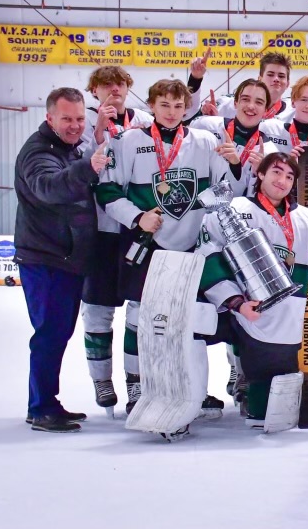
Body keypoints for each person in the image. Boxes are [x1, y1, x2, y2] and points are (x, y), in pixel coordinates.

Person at [96, 79, 243, 418]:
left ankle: (193, 388)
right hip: (147, 244)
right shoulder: (127, 141)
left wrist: (199, 206)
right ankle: (137, 387)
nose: (172, 112)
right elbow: (106, 192)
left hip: (194, 249)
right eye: (165, 105)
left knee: (192, 320)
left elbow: (227, 190)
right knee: (139, 317)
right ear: (151, 106)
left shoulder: (206, 141)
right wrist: (137, 217)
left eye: (179, 106)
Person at [198, 152, 308, 429]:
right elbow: (209, 255)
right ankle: (193, 396)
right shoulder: (236, 208)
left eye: (289, 176)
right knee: (190, 327)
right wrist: (235, 302)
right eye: (276, 172)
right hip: (241, 307)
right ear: (260, 174)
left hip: (287, 313)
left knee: (275, 381)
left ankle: (261, 408)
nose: (282, 181)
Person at [16, 87, 109, 432]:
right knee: (50, 334)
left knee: (57, 333)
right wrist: (88, 166)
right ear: (49, 117)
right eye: (67, 118)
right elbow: (49, 187)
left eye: (80, 119)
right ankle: (40, 407)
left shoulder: (71, 148)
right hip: (46, 260)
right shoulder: (38, 152)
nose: (74, 125)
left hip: (67, 260)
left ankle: (46, 402)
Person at [79, 66, 154, 415]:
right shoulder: (83, 124)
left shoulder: (145, 121)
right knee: (98, 311)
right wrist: (96, 134)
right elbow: (80, 172)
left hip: (139, 230)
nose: (113, 89)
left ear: (128, 88)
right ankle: (101, 379)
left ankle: (135, 381)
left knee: (139, 311)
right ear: (94, 90)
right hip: (101, 231)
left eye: (120, 83)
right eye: (105, 85)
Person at [203, 52, 294, 123]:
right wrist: (209, 118)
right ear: (260, 79)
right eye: (270, 74)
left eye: (281, 76)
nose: (276, 79)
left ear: (287, 84)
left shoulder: (295, 111)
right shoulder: (229, 104)